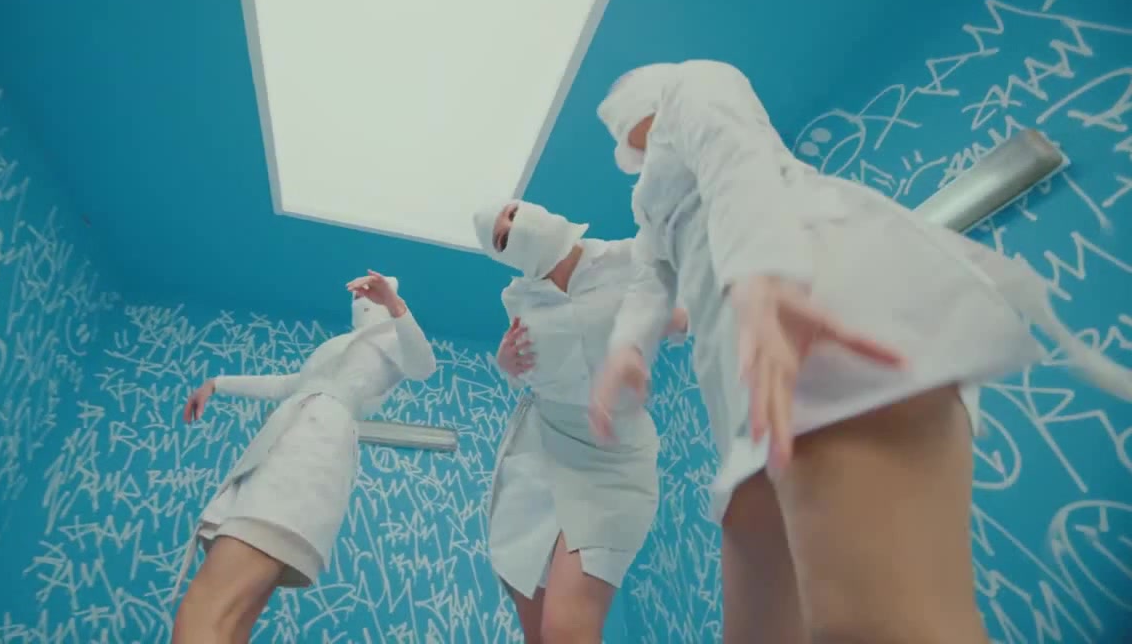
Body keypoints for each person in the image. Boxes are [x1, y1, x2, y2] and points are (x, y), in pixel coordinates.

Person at [587, 60, 1132, 644]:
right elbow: (648, 280)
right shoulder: (649, 206)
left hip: (813, 297)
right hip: (748, 378)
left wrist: (760, 274)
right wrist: (628, 349)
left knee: (876, 628)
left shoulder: (693, 85)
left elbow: (731, 148)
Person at [168, 271, 437, 644]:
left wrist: (393, 304)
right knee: (229, 625)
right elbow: (285, 384)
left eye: (370, 295)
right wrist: (216, 384)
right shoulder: (336, 353)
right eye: (357, 297)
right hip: (293, 461)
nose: (362, 302)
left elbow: (423, 365)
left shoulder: (392, 338)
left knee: (203, 611)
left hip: (301, 465)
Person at [472, 199, 688, 644]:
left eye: (512, 212)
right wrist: (506, 366)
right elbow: (534, 373)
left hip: (612, 461)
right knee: (536, 629)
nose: (513, 226)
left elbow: (686, 310)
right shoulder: (518, 300)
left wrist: (658, 324)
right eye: (501, 238)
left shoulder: (627, 258)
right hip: (540, 457)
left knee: (566, 630)